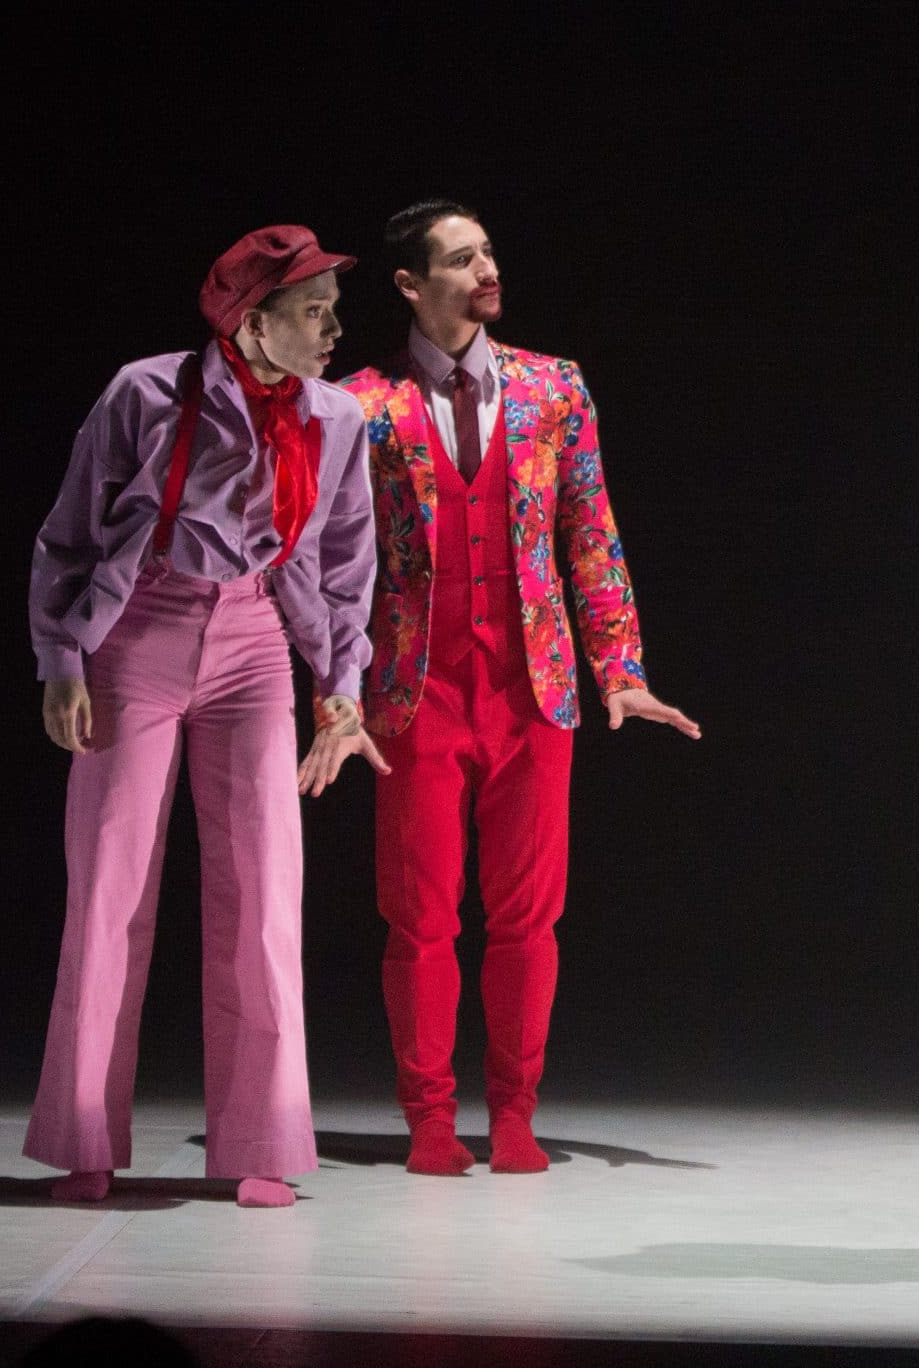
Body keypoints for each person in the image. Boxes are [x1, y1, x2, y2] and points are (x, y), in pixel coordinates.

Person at [323, 199, 701, 1177]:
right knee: (420, 918)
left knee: (529, 916)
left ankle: (516, 1111)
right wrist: (335, 689)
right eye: (462, 258)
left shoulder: (552, 387)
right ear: (411, 284)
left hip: (534, 689)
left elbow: (590, 532)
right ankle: (430, 1116)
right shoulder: (362, 403)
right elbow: (337, 561)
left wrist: (621, 669)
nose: (487, 269)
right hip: (415, 690)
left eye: (488, 251)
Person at [26, 225, 380, 1210]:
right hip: (139, 631)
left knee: (265, 891)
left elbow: (346, 558)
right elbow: (69, 533)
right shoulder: (145, 391)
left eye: (333, 311)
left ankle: (260, 1140)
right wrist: (61, 659)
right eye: (313, 312)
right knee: (109, 889)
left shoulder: (335, 416)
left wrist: (341, 681)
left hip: (255, 640)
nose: (333, 330)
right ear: (252, 320)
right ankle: (85, 1137)